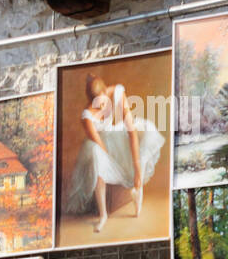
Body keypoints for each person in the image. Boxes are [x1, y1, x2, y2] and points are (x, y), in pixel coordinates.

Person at [64, 74, 165, 233]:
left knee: (144, 130)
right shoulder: (87, 116)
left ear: (106, 91)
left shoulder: (117, 92)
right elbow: (100, 144)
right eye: (97, 104)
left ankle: (137, 188)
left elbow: (131, 131)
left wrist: (137, 171)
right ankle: (103, 215)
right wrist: (112, 164)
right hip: (102, 144)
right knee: (96, 155)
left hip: (116, 134)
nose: (102, 107)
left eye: (103, 101)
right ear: (91, 102)